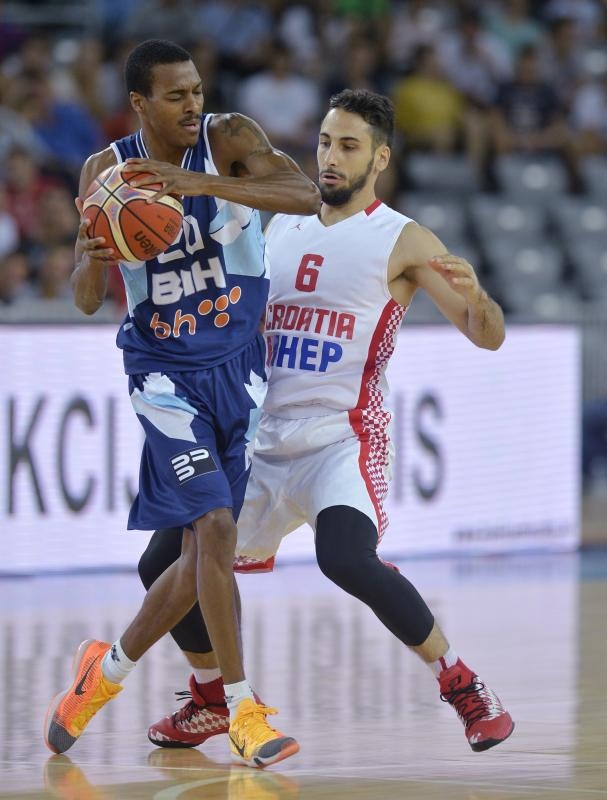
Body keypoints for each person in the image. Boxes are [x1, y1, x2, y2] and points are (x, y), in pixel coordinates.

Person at [139, 89, 515, 754]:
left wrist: (480, 298)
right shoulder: (282, 223)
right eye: (324, 142)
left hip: (339, 439)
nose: (330, 158)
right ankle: (208, 699)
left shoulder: (403, 238)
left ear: (379, 158)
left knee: (344, 558)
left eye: (347, 146)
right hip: (260, 440)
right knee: (160, 563)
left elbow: (487, 336)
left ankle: (462, 685)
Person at [43, 38, 320, 769]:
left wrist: (203, 188)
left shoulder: (229, 139)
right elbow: (84, 297)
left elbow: (304, 196)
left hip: (238, 366)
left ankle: (102, 676)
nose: (192, 103)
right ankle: (242, 709)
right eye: (175, 95)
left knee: (201, 550)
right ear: (138, 103)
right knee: (216, 527)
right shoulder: (105, 173)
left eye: (196, 89)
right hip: (163, 373)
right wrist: (91, 259)